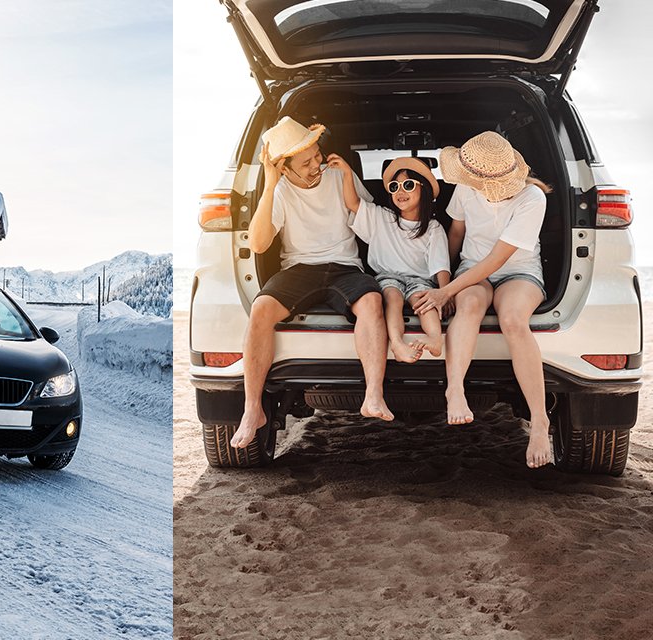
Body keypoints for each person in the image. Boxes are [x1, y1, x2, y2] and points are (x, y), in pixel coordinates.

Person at [230, 116, 393, 450]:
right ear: (285, 168)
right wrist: (271, 185)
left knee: (372, 303)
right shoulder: (279, 189)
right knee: (260, 309)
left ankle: (373, 396)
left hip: (345, 266)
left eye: (317, 155)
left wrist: (348, 176)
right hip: (299, 268)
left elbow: (368, 224)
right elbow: (259, 244)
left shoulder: (337, 176)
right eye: (306, 162)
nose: (317, 163)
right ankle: (252, 410)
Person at [411, 131, 553, 468]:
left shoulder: (532, 198)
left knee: (514, 321)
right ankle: (455, 390)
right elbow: (457, 234)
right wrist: (440, 278)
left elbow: (500, 259)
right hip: (473, 267)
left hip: (518, 271)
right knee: (470, 304)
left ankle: (540, 421)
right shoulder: (467, 187)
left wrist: (446, 291)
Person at [331, 155, 450, 362]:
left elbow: (441, 265)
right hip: (388, 277)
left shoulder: (433, 228)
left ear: (425, 191)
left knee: (425, 303)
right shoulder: (381, 217)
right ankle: (397, 343)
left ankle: (435, 339)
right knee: (392, 298)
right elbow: (352, 203)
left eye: (408, 185)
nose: (400, 191)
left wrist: (444, 293)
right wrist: (347, 173)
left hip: (420, 281)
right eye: (394, 187)